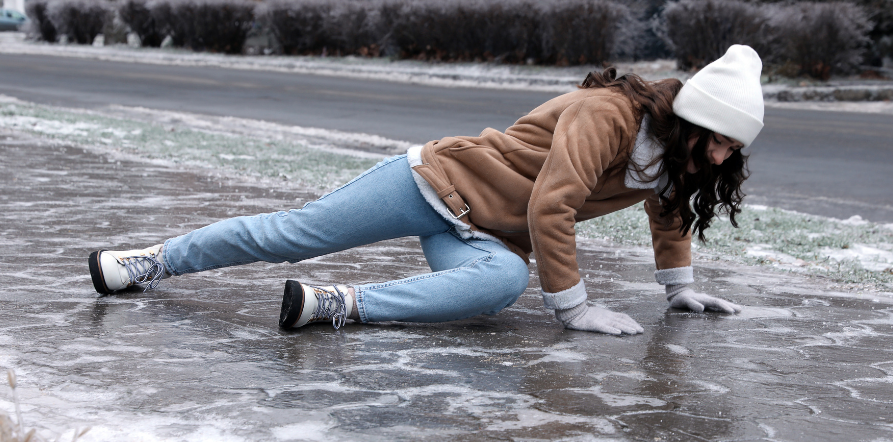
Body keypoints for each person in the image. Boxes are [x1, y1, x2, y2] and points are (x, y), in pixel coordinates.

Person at [88, 45, 764, 337]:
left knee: (499, 286)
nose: (724, 155)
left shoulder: (675, 157)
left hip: (484, 233)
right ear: (691, 121)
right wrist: (575, 309)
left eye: (735, 147)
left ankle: (335, 306)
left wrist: (679, 289)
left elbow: (669, 208)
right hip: (432, 182)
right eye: (721, 140)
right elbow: (552, 204)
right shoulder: (608, 116)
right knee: (292, 235)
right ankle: (151, 260)